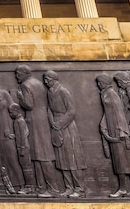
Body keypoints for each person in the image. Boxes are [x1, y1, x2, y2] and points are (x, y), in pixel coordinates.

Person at [15, 65, 58, 197]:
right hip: (42, 119)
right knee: (38, 156)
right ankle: (41, 187)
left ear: (23, 73)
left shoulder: (25, 85)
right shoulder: (38, 83)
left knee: (42, 156)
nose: (16, 76)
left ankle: (52, 189)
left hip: (35, 120)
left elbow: (29, 104)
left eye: (17, 73)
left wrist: (19, 96)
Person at [96, 73, 130, 198]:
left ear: (104, 83)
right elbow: (107, 112)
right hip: (112, 129)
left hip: (119, 131)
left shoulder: (111, 93)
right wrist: (103, 125)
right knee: (119, 161)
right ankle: (123, 188)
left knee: (128, 161)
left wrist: (123, 131)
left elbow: (119, 112)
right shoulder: (105, 93)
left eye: (100, 82)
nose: (98, 85)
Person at [43, 70, 87, 198]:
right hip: (56, 126)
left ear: (54, 79)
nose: (46, 82)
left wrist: (60, 124)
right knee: (62, 159)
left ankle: (79, 188)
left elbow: (71, 111)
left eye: (48, 79)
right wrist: (53, 123)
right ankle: (69, 187)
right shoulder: (50, 92)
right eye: (45, 79)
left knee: (72, 158)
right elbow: (49, 110)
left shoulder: (63, 91)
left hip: (67, 127)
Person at [7, 103, 35, 195]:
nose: (10, 114)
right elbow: (21, 134)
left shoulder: (20, 121)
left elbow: (24, 135)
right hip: (21, 146)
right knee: (24, 167)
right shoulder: (18, 120)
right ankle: (29, 186)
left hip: (23, 147)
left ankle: (30, 187)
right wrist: (12, 136)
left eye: (11, 112)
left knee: (26, 167)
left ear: (16, 111)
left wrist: (22, 148)